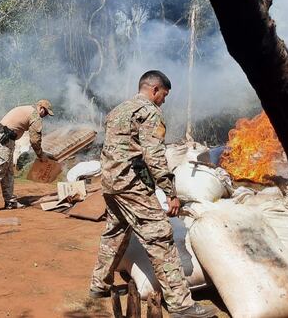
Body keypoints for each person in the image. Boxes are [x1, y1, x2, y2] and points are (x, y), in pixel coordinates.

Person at [89, 71, 217, 318]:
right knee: (160, 237)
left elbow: (119, 151)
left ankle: (99, 285)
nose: (163, 102)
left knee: (115, 233)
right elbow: (154, 156)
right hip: (131, 187)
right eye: (164, 96)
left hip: (111, 184)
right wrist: (170, 192)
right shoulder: (149, 112)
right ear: (155, 89)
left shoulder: (118, 110)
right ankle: (182, 305)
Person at [0, 99, 54, 213]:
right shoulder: (35, 115)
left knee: (8, 171)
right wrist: (41, 155)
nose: (45, 116)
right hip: (3, 139)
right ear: (41, 108)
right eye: (45, 113)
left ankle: (10, 202)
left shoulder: (27, 109)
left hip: (5, 138)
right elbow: (35, 140)